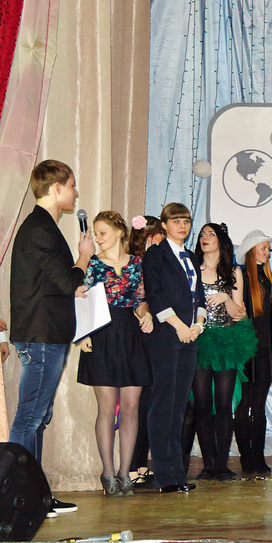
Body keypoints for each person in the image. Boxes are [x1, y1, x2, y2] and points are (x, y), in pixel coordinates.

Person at [8, 160, 94, 516]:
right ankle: (20, 497)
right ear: (56, 187)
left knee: (37, 417)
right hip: (41, 335)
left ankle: (36, 496)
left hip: (46, 334)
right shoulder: (40, 229)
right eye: (71, 185)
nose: (76, 192)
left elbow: (56, 282)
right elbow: (69, 280)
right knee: (29, 419)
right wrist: (84, 256)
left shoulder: (42, 227)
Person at [76, 211, 153, 497]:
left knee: (131, 407)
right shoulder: (93, 263)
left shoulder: (136, 263)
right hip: (102, 335)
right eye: (95, 233)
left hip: (130, 335)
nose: (97, 238)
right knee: (107, 409)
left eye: (102, 232)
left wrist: (146, 314)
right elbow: (79, 297)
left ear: (119, 232)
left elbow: (140, 300)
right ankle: (108, 473)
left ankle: (125, 473)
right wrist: (83, 333)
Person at [142, 202, 206, 493]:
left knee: (179, 407)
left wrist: (198, 326)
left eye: (186, 221)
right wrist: (180, 326)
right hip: (167, 337)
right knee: (163, 405)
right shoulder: (155, 255)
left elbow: (199, 296)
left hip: (190, 337)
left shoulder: (190, 256)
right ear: (165, 225)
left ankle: (177, 473)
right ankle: (165, 476)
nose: (182, 226)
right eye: (176, 220)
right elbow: (155, 295)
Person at [192, 223, 256, 481]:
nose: (205, 238)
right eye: (202, 234)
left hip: (226, 341)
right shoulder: (193, 269)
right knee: (202, 405)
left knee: (223, 404)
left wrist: (225, 298)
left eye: (211, 234)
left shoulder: (233, 272)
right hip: (200, 340)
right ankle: (207, 465)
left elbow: (239, 313)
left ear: (221, 240)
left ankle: (222, 464)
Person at [235, 229, 272, 475]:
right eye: (262, 248)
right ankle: (246, 456)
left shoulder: (268, 280)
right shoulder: (242, 279)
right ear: (251, 252)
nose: (267, 252)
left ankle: (258, 455)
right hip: (246, 351)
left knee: (259, 405)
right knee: (244, 404)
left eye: (267, 248)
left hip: (265, 351)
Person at [128, 214, 165, 488]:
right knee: (137, 403)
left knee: (149, 400)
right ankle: (131, 465)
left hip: (154, 335)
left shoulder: (155, 262)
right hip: (137, 334)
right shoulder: (134, 264)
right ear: (150, 236)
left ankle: (141, 463)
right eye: (161, 233)